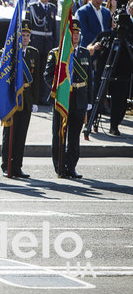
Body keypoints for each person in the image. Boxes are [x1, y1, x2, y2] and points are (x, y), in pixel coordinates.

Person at [44, 20, 92, 179]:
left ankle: (71, 167)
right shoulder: (57, 53)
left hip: (80, 98)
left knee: (74, 137)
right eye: (73, 33)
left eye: (78, 33)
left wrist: (89, 100)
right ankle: (60, 166)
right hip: (63, 98)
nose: (76, 36)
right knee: (59, 134)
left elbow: (90, 79)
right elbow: (48, 75)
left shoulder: (85, 53)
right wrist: (59, 90)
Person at [0, 21, 40, 178]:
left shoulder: (33, 53)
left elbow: (36, 80)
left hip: (26, 99)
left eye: (27, 36)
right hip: (11, 98)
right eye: (22, 35)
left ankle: (17, 166)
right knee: (9, 134)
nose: (25, 38)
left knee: (21, 134)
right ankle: (7, 165)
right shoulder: (5, 53)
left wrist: (35, 101)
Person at [87, 11, 133, 136]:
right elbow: (88, 49)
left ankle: (114, 126)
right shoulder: (105, 35)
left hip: (122, 74)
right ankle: (91, 122)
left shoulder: (129, 37)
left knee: (120, 100)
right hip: (103, 73)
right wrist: (95, 47)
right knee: (97, 96)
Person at [25, 0, 58, 105]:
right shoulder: (32, 7)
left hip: (48, 43)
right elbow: (27, 26)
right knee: (35, 70)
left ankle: (44, 97)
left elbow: (54, 28)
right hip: (36, 42)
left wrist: (55, 44)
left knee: (46, 70)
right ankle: (34, 96)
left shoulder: (52, 8)